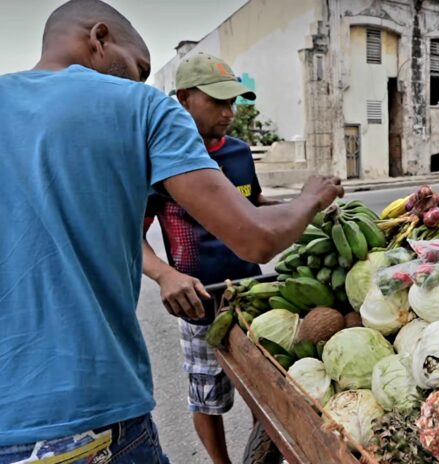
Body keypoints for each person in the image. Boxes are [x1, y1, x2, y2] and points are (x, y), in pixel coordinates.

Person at [0, 1, 342, 462]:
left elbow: (253, 206)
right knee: (205, 394)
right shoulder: (142, 107)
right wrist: (311, 198)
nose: (139, 81)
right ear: (99, 38)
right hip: (91, 417)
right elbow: (257, 236)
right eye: (138, 67)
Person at [142, 53, 278, 464]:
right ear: (183, 98)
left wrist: (303, 209)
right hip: (199, 302)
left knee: (268, 391)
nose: (229, 112)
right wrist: (166, 275)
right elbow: (130, 237)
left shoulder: (238, 152)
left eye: (233, 101)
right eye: (217, 102)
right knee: (207, 397)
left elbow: (254, 205)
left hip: (251, 295)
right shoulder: (159, 161)